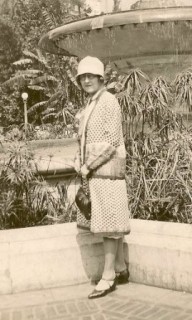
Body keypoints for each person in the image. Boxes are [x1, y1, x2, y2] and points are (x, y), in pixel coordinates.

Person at [74, 56, 130, 299]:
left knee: (109, 225)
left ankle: (108, 278)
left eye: (90, 76)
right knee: (111, 222)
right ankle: (120, 268)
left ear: (100, 78)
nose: (86, 80)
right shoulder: (91, 104)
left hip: (107, 172)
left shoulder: (108, 101)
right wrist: (80, 160)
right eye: (82, 77)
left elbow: (112, 141)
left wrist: (88, 165)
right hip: (97, 173)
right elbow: (85, 139)